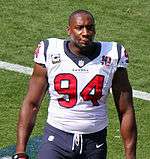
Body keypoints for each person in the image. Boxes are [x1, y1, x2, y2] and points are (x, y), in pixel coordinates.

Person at [12, 10, 137, 159]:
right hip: (56, 139)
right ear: (69, 30)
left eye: (90, 28)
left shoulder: (113, 54)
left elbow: (126, 110)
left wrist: (130, 157)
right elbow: (32, 103)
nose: (85, 33)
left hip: (94, 142)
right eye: (79, 28)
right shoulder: (50, 51)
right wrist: (20, 151)